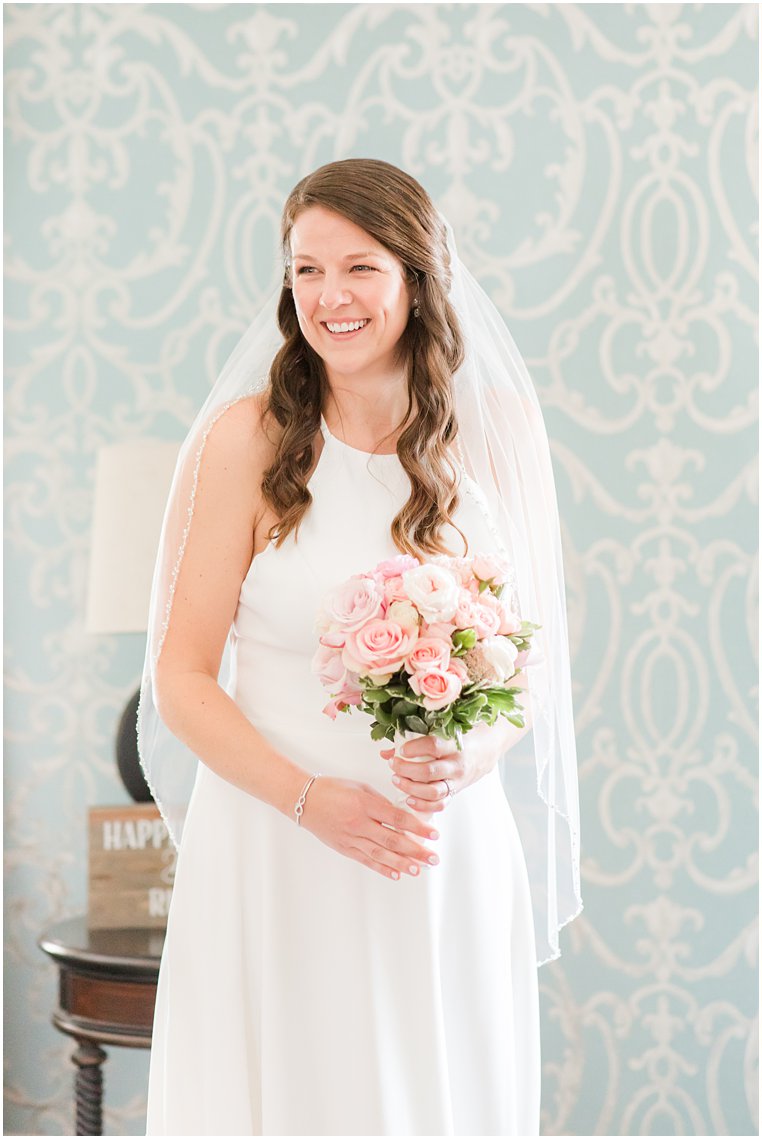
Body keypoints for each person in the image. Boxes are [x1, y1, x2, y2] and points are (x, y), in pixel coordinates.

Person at [139, 158, 580, 1135]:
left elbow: (535, 662)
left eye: (359, 267)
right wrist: (310, 800)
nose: (329, 297)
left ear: (416, 278)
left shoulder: (498, 432)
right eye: (306, 271)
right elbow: (179, 679)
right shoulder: (243, 443)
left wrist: (470, 751)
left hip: (440, 848)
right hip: (276, 845)